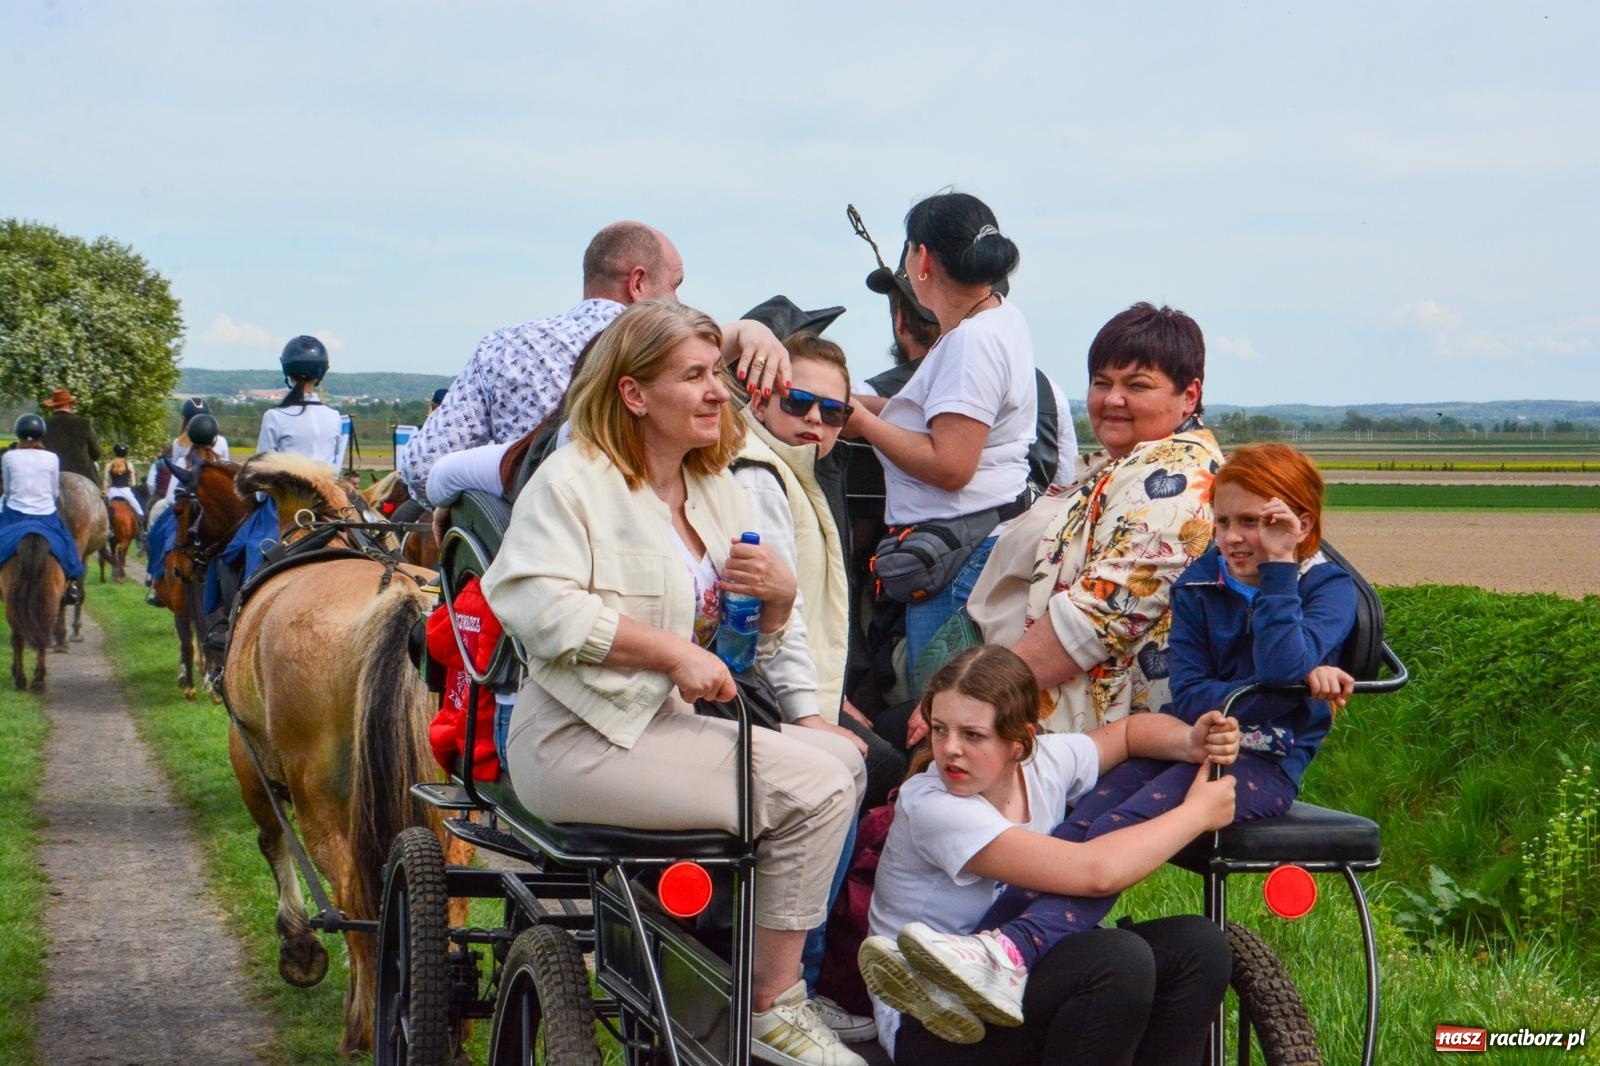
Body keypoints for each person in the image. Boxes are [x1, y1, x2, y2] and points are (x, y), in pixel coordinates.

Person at [481, 300, 869, 1066]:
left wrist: (778, 601)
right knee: (816, 790)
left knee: (848, 762)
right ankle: (770, 1005)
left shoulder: (714, 487)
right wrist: (666, 652)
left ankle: (727, 966)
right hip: (576, 736)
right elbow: (534, 605)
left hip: (663, 726)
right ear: (633, 393)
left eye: (717, 373)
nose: (718, 392)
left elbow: (740, 641)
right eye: (694, 376)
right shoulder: (575, 481)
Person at [858, 644, 1236, 1063]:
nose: (949, 749)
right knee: (1115, 961)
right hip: (934, 1020)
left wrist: (1188, 741)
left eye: (973, 735)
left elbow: (1127, 735)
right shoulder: (931, 804)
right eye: (940, 729)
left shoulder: (1045, 764)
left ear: (1020, 743)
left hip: (1014, 979)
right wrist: (1197, 814)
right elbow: (1096, 873)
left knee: (1199, 947)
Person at [964, 302, 1225, 736]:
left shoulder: (1179, 479)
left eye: (1137, 385)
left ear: (1189, 396)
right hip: (1036, 691)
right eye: (1101, 383)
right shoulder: (1124, 463)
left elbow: (1096, 617)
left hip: (1102, 734)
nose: (1112, 399)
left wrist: (975, 700)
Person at [400, 220, 790, 503]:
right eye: (675, 285)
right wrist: (749, 330)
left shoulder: (503, 346)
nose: (680, 301)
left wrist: (467, 500)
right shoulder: (668, 354)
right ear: (637, 284)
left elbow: (421, 470)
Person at [843, 192, 1037, 675]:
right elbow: (946, 419)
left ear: (922, 259)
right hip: (982, 537)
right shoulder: (995, 321)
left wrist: (863, 423)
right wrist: (857, 402)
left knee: (942, 706)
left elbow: (951, 464)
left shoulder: (972, 343)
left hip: (956, 554)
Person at [1, 414, 88, 605]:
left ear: (19, 434)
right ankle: (73, 582)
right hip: (45, 515)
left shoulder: (8, 457)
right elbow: (54, 490)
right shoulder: (52, 458)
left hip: (15, 514)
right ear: (42, 434)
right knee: (67, 541)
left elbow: (7, 490)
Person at [144, 411, 225, 603]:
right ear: (214, 441)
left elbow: (172, 496)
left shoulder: (182, 461)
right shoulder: (220, 463)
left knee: (156, 535)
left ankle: (155, 578)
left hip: (187, 511)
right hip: (215, 514)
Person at [40, 387, 101, 483]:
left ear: (53, 406)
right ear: (71, 404)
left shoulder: (43, 424)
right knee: (98, 492)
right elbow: (96, 454)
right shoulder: (84, 423)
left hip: (51, 474)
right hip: (82, 474)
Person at [103, 442, 144, 518]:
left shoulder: (108, 465)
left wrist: (105, 492)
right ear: (126, 453)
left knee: (104, 512)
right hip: (126, 491)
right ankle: (141, 522)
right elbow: (133, 483)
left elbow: (105, 481)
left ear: (115, 452)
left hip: (113, 492)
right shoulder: (129, 465)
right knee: (139, 510)